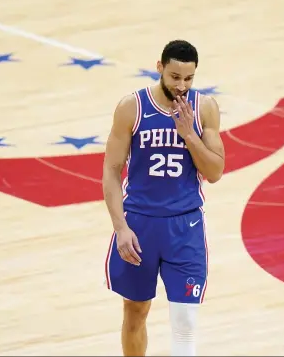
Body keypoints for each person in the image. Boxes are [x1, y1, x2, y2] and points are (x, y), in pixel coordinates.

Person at [102, 39, 225, 356]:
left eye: (188, 79)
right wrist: (120, 228)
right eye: (174, 77)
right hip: (140, 225)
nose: (181, 86)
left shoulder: (205, 108)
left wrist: (189, 135)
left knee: (185, 320)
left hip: (185, 226)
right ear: (159, 68)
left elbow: (214, 171)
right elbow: (112, 171)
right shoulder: (132, 107)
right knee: (135, 313)